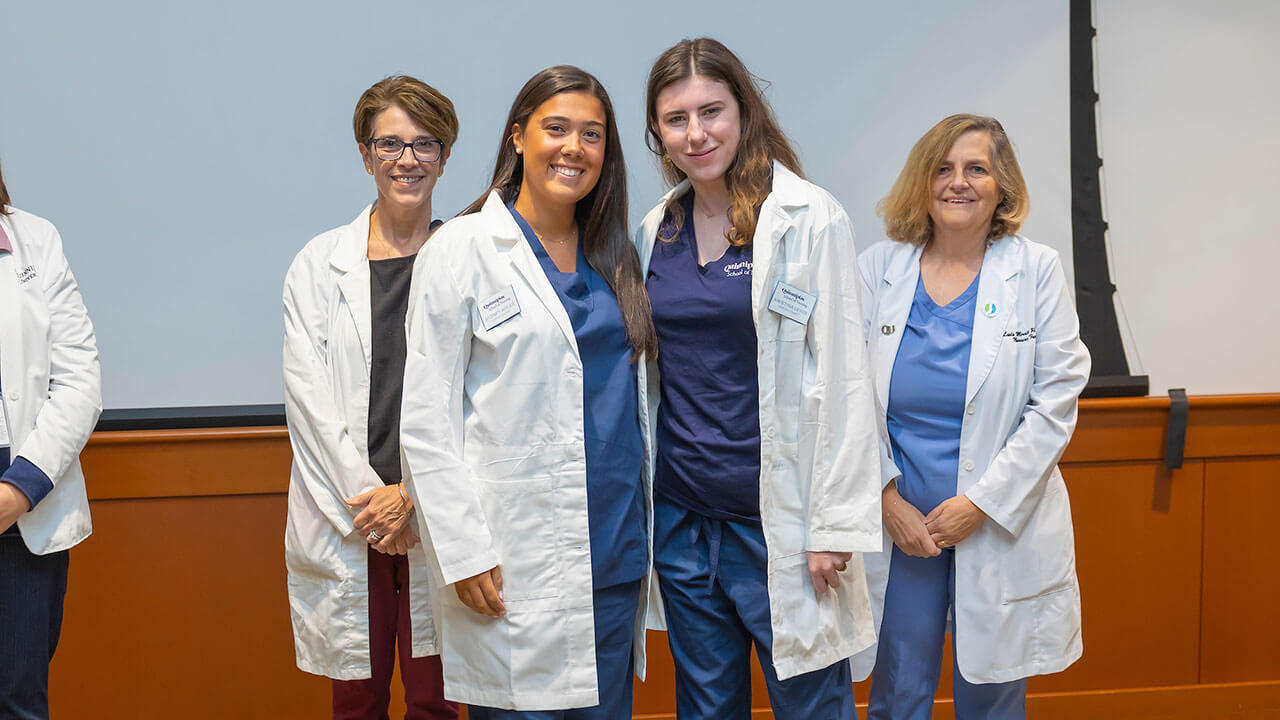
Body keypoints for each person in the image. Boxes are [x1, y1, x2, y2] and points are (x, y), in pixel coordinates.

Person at [399, 66, 658, 718]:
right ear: (518, 136)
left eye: (592, 134)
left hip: (614, 553)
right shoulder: (462, 248)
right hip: (514, 558)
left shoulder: (615, 255)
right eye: (557, 129)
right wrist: (462, 553)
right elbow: (427, 420)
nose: (574, 147)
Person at [634, 38, 881, 719]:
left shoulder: (808, 218)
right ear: (657, 131)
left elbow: (844, 378)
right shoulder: (658, 228)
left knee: (809, 705)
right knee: (707, 707)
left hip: (780, 526)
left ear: (744, 111)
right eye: (676, 118)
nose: (696, 133)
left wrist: (832, 525)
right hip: (685, 522)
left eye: (711, 111)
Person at [853, 114, 1090, 719]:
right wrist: (886, 501)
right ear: (923, 182)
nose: (959, 183)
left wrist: (980, 503)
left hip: (994, 517)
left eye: (976, 169)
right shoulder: (879, 269)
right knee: (897, 693)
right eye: (944, 168)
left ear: (1001, 186)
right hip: (903, 526)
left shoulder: (1035, 270)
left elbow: (1056, 400)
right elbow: (846, 395)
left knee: (991, 693)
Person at [282, 75, 458, 720]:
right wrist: (376, 505)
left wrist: (416, 494)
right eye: (390, 143)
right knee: (356, 700)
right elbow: (308, 401)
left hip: (441, 512)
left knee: (439, 700)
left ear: (445, 156)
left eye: (424, 144)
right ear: (365, 154)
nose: (406, 160)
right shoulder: (317, 263)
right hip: (350, 512)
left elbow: (479, 399)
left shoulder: (467, 258)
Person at [0, 161, 103, 718]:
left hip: (24, 494)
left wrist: (19, 489)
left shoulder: (35, 240)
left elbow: (80, 380)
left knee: (18, 700)